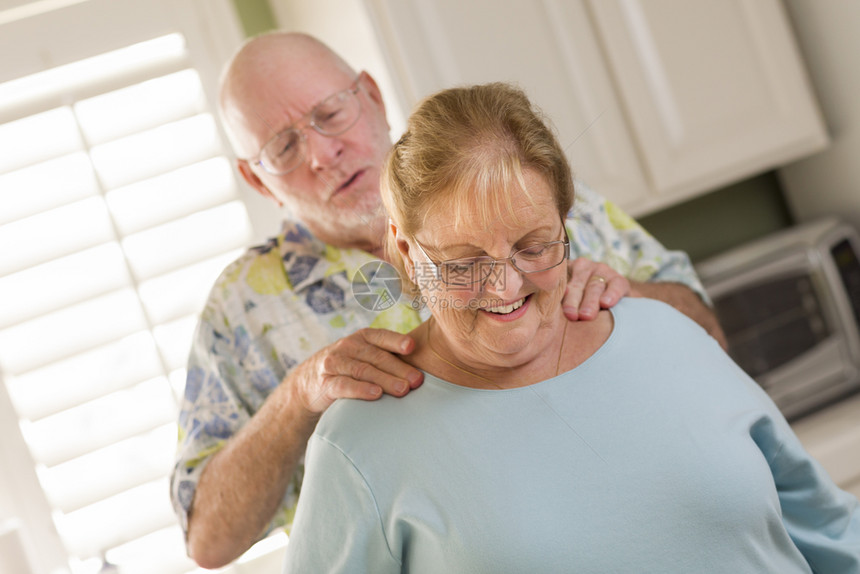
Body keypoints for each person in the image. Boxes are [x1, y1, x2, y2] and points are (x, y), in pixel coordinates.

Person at [170, 32, 726, 568]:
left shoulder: (526, 189)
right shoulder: (241, 308)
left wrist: (627, 297)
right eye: (284, 146)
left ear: (372, 96)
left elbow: (711, 342)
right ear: (257, 180)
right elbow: (208, 542)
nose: (322, 153)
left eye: (330, 114)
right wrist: (296, 397)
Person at [282, 81, 860, 573]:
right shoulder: (359, 445)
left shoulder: (664, 332)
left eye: (534, 246)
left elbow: (830, 533)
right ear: (407, 255)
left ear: (565, 222)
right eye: (462, 263)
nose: (506, 288)